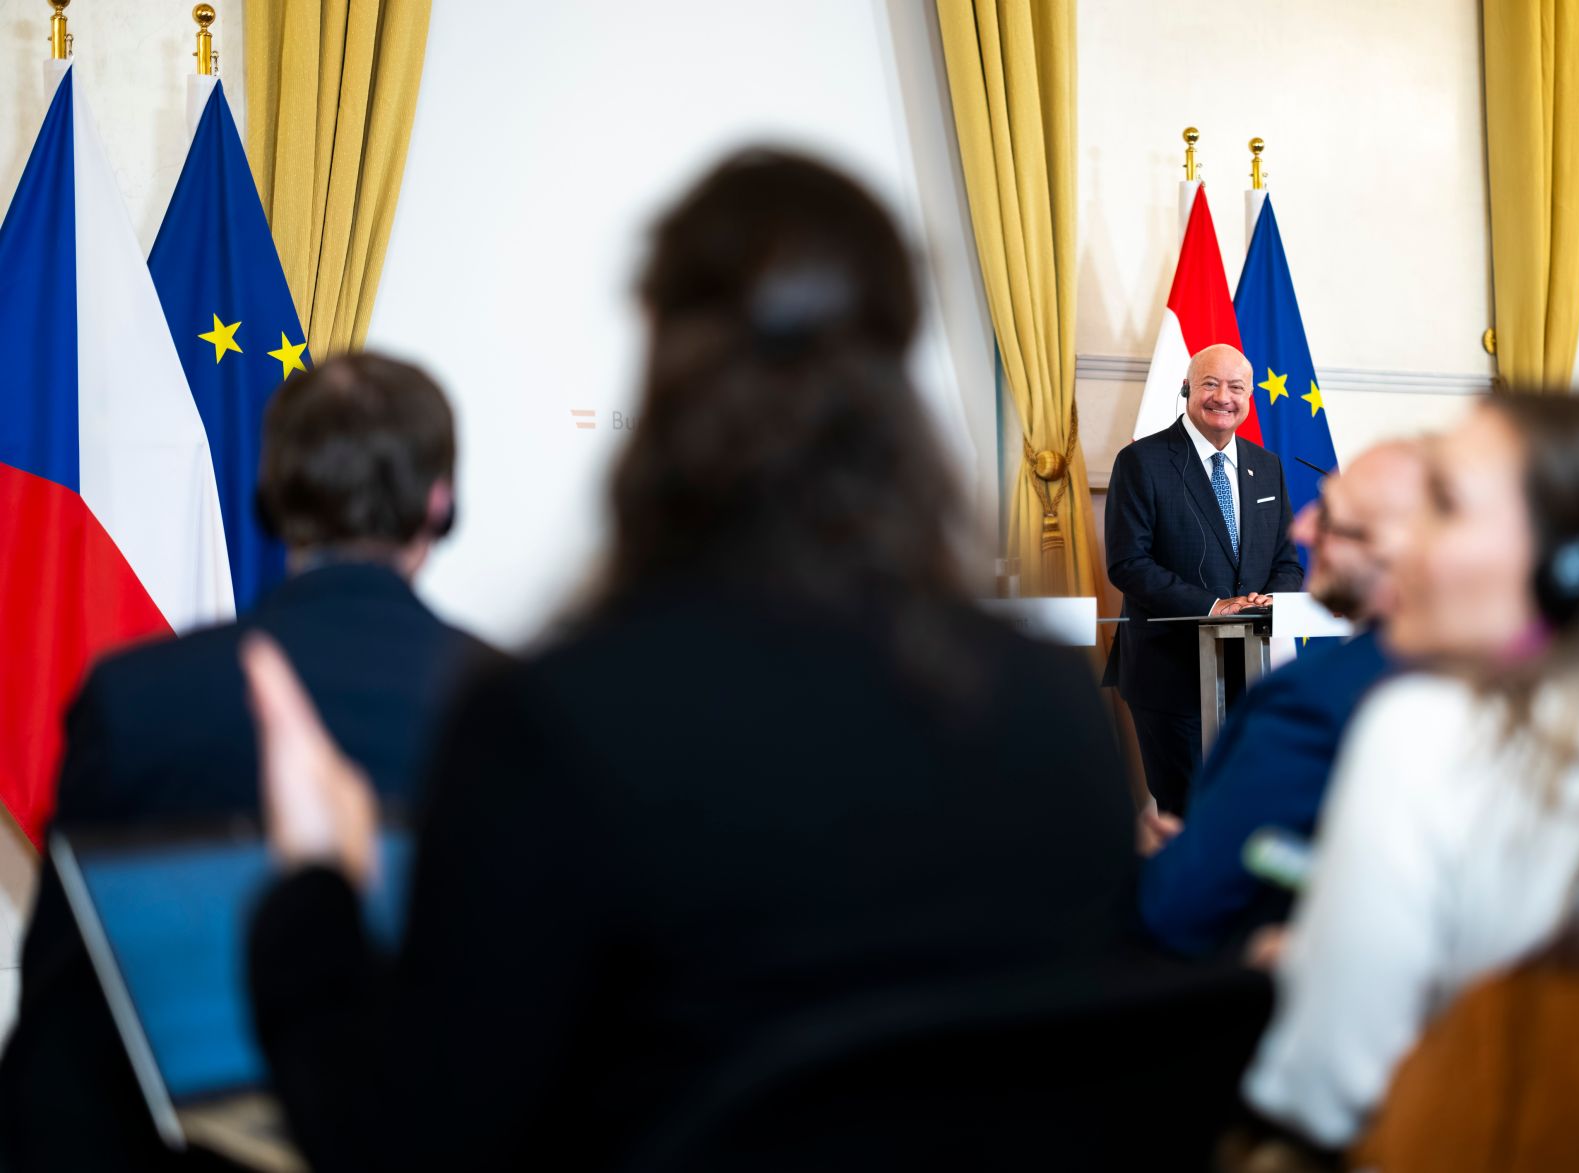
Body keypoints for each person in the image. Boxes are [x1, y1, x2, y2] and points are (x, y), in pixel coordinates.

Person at [241, 150, 1142, 1171]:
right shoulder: (1055, 714)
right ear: (895, 365)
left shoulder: (550, 728)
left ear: (665, 359)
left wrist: (316, 886)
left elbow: (405, 1148)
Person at [0, 354, 499, 1172]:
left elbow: (68, 1025)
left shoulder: (135, 698)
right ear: (440, 503)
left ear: (271, 494)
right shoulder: (515, 711)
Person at [1242, 392, 1579, 1151]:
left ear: (1572, 568)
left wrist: (1309, 973)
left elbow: (1326, 1094)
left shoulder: (1419, 732)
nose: (1401, 543)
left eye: (1444, 505)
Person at [1136, 440, 1424, 958]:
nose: (1302, 529)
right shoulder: (1502, 679)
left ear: (1396, 546)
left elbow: (1183, 907)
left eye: (1332, 517)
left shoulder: (1308, 701)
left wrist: (1180, 857)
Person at [1105, 345, 1304, 813]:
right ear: (1187, 389)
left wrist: (1267, 602)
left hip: (1253, 676)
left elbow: (1288, 562)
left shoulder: (1267, 466)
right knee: (1190, 814)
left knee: (1247, 814)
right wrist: (1215, 607)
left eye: (1236, 387)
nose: (1223, 397)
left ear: (1250, 397)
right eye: (1210, 383)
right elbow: (1128, 563)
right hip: (1170, 677)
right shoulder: (1142, 462)